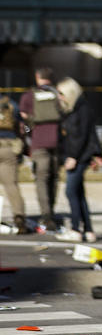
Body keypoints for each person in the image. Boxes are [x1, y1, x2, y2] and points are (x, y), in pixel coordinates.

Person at [56, 78, 101, 243]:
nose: (59, 97)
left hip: (79, 156)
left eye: (61, 93)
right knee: (79, 193)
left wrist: (73, 157)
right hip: (79, 154)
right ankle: (88, 230)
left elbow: (80, 136)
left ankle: (76, 228)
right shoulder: (73, 109)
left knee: (70, 191)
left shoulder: (81, 110)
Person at [18, 67, 63, 231]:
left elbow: (24, 122)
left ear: (37, 78)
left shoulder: (29, 95)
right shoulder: (58, 94)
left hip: (39, 143)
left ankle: (46, 215)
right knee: (54, 179)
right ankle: (51, 208)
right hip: (56, 142)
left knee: (41, 180)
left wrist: (30, 135)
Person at [0, 91, 27, 232]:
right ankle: (19, 217)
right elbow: (21, 126)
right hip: (9, 146)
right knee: (11, 185)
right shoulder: (12, 104)